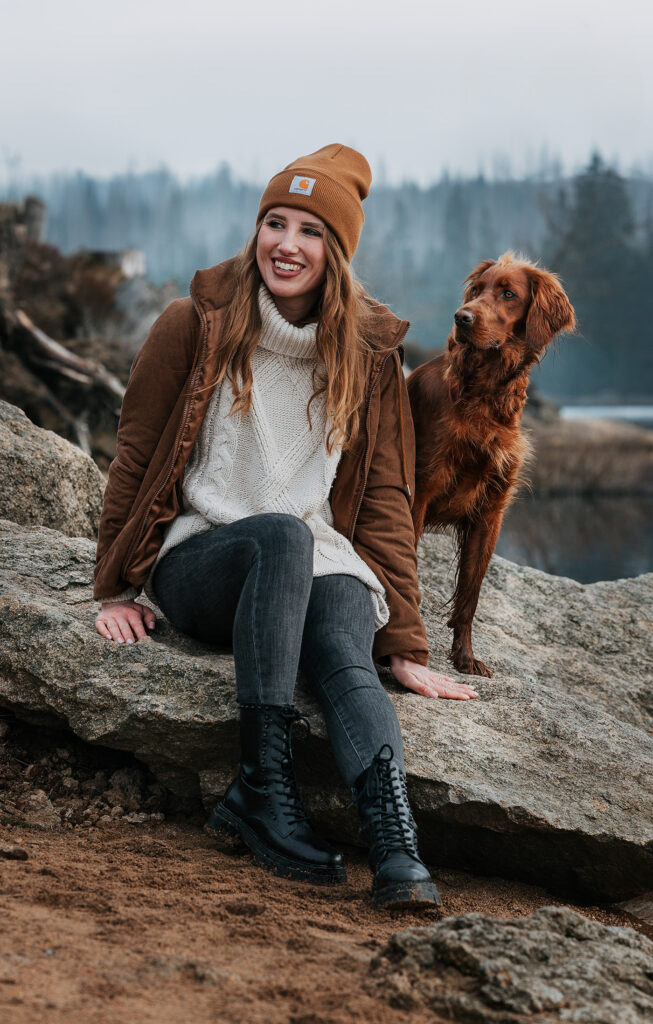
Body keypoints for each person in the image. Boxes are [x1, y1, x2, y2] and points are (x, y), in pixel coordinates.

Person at [93, 144, 479, 910]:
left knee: (342, 635)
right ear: (256, 231)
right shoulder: (193, 323)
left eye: (309, 230)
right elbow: (135, 452)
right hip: (202, 557)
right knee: (281, 534)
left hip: (307, 555)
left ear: (335, 251)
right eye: (275, 222)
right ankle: (261, 789)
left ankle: (396, 848)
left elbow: (382, 503)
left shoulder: (369, 357)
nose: (286, 244)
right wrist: (116, 584)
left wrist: (403, 641)